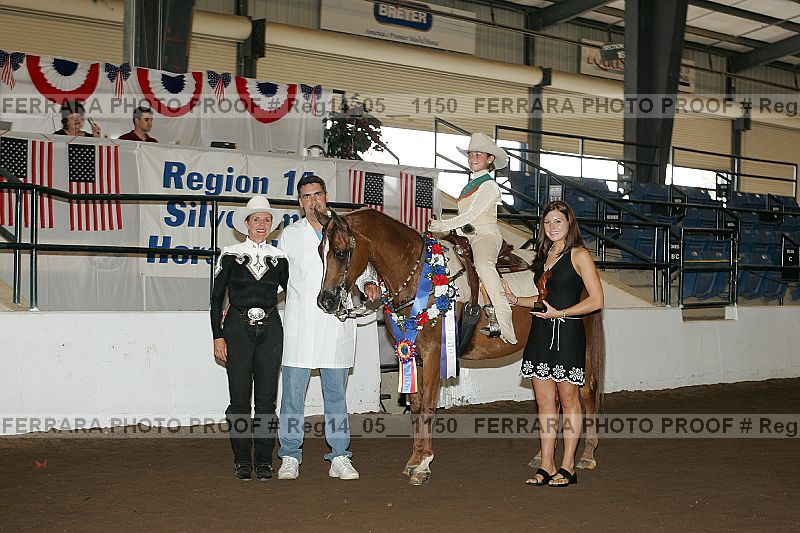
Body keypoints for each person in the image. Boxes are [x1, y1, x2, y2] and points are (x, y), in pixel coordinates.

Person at [276, 174, 379, 481]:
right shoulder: (290, 235)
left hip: (335, 324)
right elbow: (276, 278)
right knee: (292, 397)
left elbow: (361, 268)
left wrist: (369, 283)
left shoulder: (345, 231)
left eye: (317, 195)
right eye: (306, 197)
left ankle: (340, 455)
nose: (313, 202)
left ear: (326, 196)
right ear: (300, 202)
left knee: (335, 395)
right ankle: (290, 455)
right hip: (301, 325)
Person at [501, 200, 604, 488]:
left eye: (558, 221)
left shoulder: (580, 255)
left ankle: (568, 466)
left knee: (569, 400)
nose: (552, 226)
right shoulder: (544, 255)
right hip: (541, 332)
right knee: (544, 402)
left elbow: (597, 300)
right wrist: (515, 299)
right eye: (547, 222)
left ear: (569, 223)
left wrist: (562, 313)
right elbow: (543, 301)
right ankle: (546, 464)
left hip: (567, 333)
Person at [211, 196, 288, 481]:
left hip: (270, 330)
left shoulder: (280, 258)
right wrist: (218, 336)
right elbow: (216, 299)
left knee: (267, 401)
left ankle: (264, 459)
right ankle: (242, 458)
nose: (262, 224)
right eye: (256, 219)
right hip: (236, 330)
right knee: (240, 400)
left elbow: (294, 293)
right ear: (246, 224)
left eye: (267, 219)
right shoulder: (229, 254)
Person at [428, 132, 517, 344]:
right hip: (467, 236)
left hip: (486, 235)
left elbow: (471, 215)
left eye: (478, 154)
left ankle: (504, 319)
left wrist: (442, 225)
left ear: (490, 159)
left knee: (484, 265)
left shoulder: (489, 185)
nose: (473, 158)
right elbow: (466, 220)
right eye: (470, 154)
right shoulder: (470, 185)